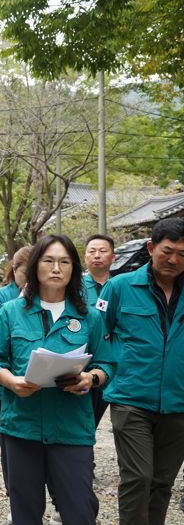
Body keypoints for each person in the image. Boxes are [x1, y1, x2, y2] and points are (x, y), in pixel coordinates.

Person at [0, 234, 114, 525]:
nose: (57, 268)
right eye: (49, 260)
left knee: (79, 510)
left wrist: (90, 379)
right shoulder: (11, 312)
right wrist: (11, 381)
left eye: (65, 262)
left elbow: (107, 364)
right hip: (21, 426)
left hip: (71, 428)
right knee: (25, 512)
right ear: (35, 267)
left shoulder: (89, 317)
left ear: (74, 269)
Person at [97, 218, 184, 525]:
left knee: (162, 482)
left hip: (178, 405)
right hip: (131, 400)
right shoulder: (120, 287)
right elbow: (97, 335)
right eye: (168, 251)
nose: (174, 260)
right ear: (151, 248)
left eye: (182, 254)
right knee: (138, 477)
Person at [0, 245, 32, 519]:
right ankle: (16, 498)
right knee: (9, 443)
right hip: (4, 385)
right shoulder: (0, 297)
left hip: (39, 384)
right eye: (27, 270)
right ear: (16, 269)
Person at [82, 234, 115, 429]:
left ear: (113, 256)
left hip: (113, 360)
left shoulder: (121, 287)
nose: (97, 255)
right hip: (85, 359)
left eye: (102, 251)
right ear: (85, 257)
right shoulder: (73, 288)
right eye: (92, 251)